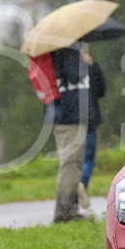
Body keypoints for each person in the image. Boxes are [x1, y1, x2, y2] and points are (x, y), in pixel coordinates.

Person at [47, 45, 92, 223]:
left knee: (69, 164)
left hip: (62, 114)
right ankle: (65, 213)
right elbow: (75, 75)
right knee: (71, 165)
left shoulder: (56, 52)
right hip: (70, 115)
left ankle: (68, 210)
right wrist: (82, 60)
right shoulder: (68, 52)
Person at [78, 43, 106, 210]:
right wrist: (93, 66)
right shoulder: (90, 68)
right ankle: (81, 183)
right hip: (89, 119)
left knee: (73, 160)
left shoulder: (67, 69)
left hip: (71, 120)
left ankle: (71, 199)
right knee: (88, 159)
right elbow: (101, 91)